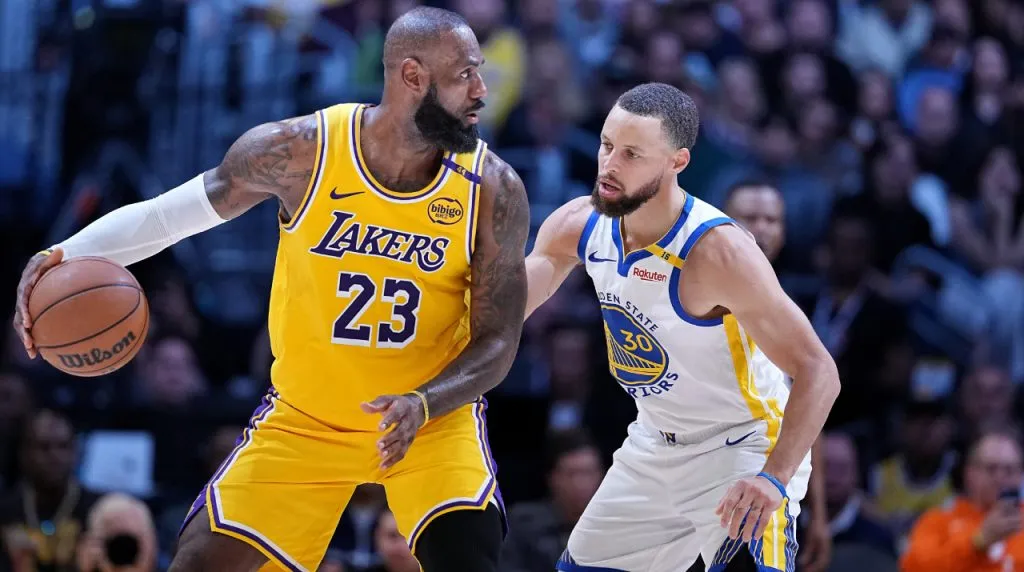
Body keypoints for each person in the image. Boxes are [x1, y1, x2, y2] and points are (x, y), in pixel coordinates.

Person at [12, 7, 530, 572]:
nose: (482, 90)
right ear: (412, 76)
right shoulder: (302, 151)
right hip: (306, 424)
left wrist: (424, 402)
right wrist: (64, 254)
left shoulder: (493, 188)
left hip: (430, 425)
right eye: (464, 75)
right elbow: (166, 218)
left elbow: (498, 341)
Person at [525, 82, 840, 571]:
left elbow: (820, 371)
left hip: (741, 447)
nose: (609, 165)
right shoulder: (579, 224)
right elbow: (497, 317)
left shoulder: (718, 252)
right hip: (653, 443)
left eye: (632, 154)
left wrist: (775, 478)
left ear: (678, 162)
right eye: (607, 145)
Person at [901, 429, 1024, 571]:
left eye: (1009, 470)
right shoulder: (938, 521)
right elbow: (915, 566)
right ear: (969, 472)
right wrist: (978, 542)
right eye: (991, 468)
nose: (1000, 477)